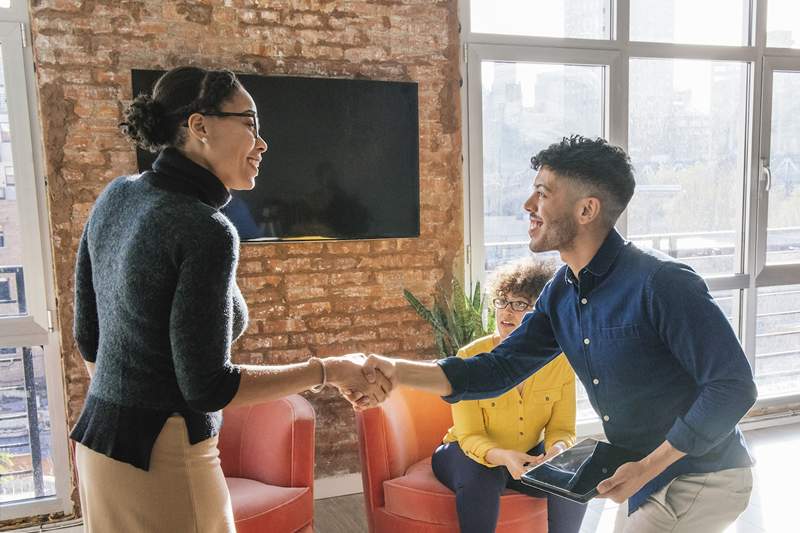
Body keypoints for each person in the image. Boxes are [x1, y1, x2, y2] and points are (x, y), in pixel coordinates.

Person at [354, 135, 757, 533]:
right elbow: (496, 369)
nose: (529, 206)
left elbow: (733, 386)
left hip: (703, 475)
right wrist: (394, 372)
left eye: (543, 194)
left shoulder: (662, 282)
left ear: (586, 209)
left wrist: (647, 467)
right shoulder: (562, 291)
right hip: (646, 476)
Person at [71, 66, 390, 533]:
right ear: (199, 127)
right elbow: (209, 387)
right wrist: (329, 369)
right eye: (250, 123)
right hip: (164, 454)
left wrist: (129, 397)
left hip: (101, 446)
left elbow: (89, 339)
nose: (262, 143)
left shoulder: (118, 195)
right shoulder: (206, 229)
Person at [431, 259, 587, 533]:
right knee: (483, 479)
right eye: (502, 301)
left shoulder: (560, 360)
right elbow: (469, 436)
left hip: (528, 452)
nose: (506, 311)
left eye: (520, 304)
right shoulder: (470, 357)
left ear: (541, 313)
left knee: (573, 472)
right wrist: (503, 457)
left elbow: (562, 428)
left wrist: (557, 451)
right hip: (467, 452)